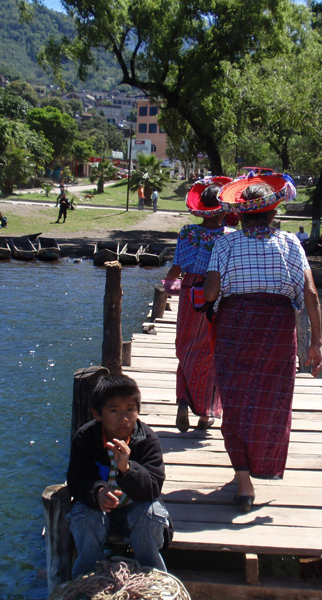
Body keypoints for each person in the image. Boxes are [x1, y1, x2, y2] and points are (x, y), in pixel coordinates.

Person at [203, 174, 322, 513]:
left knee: (236, 399)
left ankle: (244, 483)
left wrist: (203, 295)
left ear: (238, 215)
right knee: (271, 401)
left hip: (236, 326)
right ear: (273, 214)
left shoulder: (226, 243)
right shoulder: (290, 243)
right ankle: (262, 465)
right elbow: (310, 293)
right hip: (278, 329)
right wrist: (316, 343)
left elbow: (212, 293)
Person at [66, 374, 171, 579]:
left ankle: (152, 576)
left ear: (138, 411)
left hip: (135, 507)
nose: (124, 418)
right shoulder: (85, 438)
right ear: (97, 414)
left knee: (151, 515)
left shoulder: (147, 441)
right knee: (83, 516)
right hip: (100, 511)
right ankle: (87, 579)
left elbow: (153, 487)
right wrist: (97, 491)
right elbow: (77, 480)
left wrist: (127, 469)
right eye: (114, 411)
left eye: (130, 409)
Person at [165, 177, 234, 433]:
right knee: (211, 353)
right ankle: (205, 414)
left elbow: (176, 270)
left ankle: (183, 399)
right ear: (223, 208)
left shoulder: (187, 231)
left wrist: (170, 290)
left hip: (189, 294)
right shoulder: (229, 236)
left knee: (185, 349)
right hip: (215, 295)